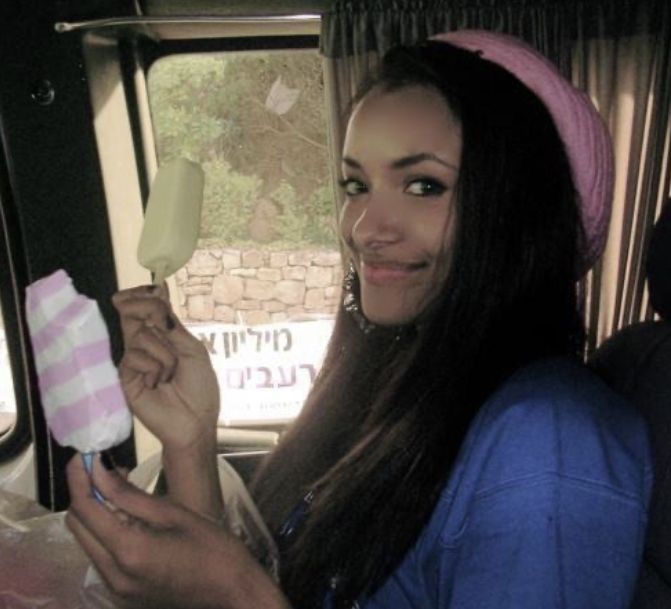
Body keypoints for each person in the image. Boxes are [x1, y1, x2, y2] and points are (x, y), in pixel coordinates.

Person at [65, 30, 653, 609]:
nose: (364, 229)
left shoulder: (547, 443)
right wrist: (191, 441)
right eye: (356, 184)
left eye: (424, 185)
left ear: (523, 211)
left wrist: (235, 595)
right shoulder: (401, 385)